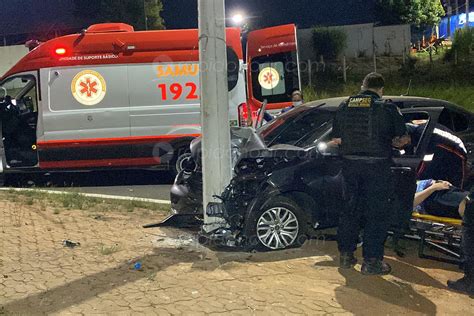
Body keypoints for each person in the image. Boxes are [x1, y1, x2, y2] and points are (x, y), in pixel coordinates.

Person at [331, 72, 407, 275]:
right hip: (377, 168)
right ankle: (372, 262)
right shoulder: (387, 107)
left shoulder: (345, 106)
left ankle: (346, 256)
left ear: (362, 85)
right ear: (381, 89)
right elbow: (402, 138)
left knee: (349, 210)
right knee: (376, 213)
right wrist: (395, 142)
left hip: (350, 168)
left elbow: (336, 139)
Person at [413, 179, 474, 295]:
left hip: (442, 190)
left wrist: (436, 182)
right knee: (468, 206)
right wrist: (433, 188)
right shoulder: (389, 192)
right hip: (432, 198)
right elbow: (410, 203)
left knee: (468, 201)